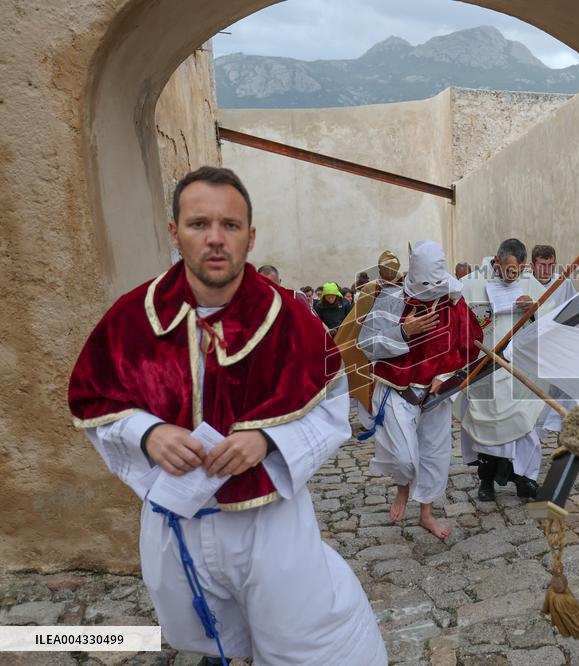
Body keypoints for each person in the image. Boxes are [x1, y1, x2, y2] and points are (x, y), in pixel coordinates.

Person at [67, 166, 386, 665]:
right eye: (198, 224)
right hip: (178, 519)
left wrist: (268, 440)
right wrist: (147, 433)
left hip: (269, 521)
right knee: (201, 632)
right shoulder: (131, 320)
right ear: (174, 233)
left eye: (230, 226)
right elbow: (95, 404)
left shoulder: (292, 321)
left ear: (250, 236)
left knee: (305, 636)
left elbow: (331, 406)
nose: (215, 239)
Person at [359, 240, 482, 538]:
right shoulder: (391, 299)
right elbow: (367, 344)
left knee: (434, 456)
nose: (432, 289)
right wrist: (403, 331)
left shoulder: (453, 301)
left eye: (436, 283)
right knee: (404, 458)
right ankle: (403, 488)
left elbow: (469, 344)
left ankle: (426, 513)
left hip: (436, 394)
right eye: (426, 283)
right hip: (397, 390)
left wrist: (450, 373)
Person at [458, 238, 547, 501]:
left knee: (526, 425)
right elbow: (458, 323)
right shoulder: (471, 284)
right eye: (508, 271)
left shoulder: (531, 284)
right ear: (496, 261)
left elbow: (551, 318)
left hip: (519, 372)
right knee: (485, 430)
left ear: (524, 266)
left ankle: (526, 480)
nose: (513, 277)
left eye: (517, 272)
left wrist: (534, 310)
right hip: (484, 370)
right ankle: (486, 482)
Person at [334, 250, 405, 427]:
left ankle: (381, 417)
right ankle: (373, 419)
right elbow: (357, 320)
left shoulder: (404, 287)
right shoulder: (373, 288)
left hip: (394, 340)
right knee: (368, 379)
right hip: (374, 341)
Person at [529, 244, 578, 438]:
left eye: (550, 265)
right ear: (532, 266)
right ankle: (532, 436)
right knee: (533, 396)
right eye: (542, 265)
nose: (546, 270)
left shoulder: (563, 284)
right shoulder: (524, 285)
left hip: (558, 346)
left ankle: (565, 433)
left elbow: (574, 312)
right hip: (532, 350)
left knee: (569, 388)